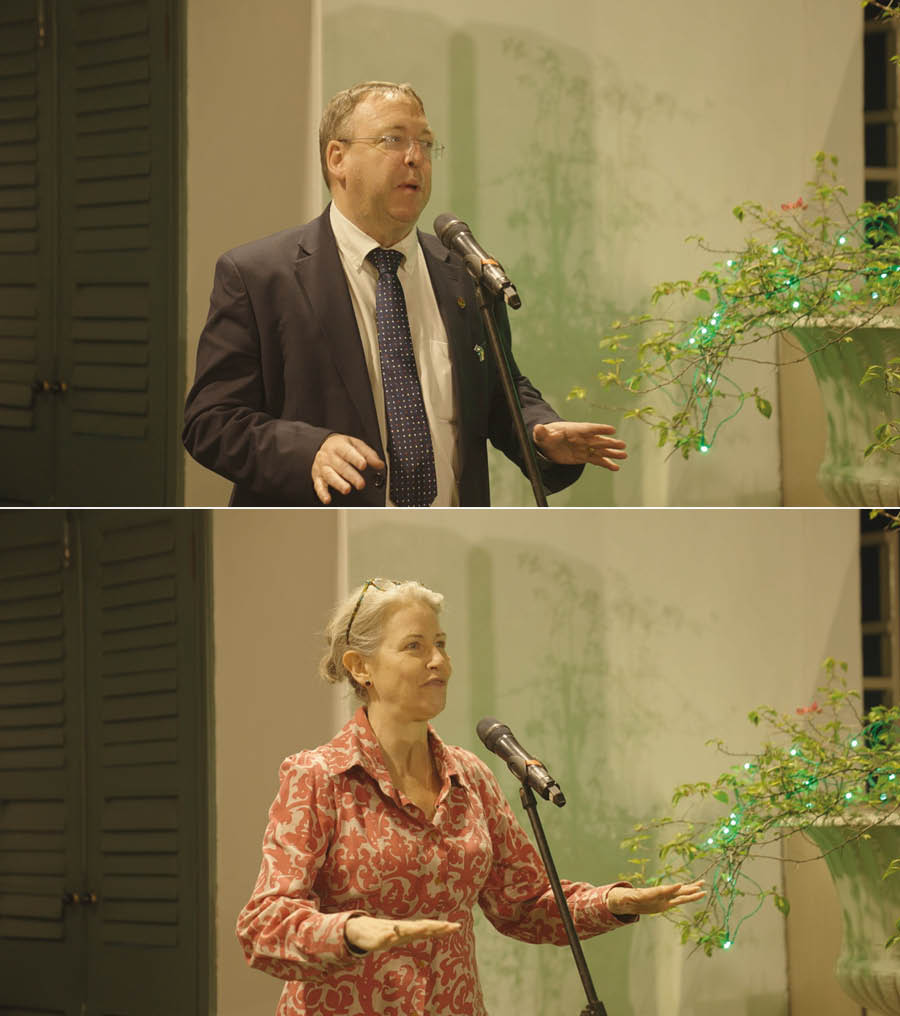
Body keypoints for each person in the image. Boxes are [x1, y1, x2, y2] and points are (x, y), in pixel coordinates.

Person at [236, 579, 704, 1016]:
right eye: (414, 647)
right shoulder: (319, 777)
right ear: (361, 667)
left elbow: (525, 905)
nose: (438, 660)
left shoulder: (470, 777)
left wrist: (616, 902)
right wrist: (351, 931)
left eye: (440, 644)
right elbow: (262, 926)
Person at [183, 81, 628, 506]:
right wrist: (307, 451)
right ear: (337, 158)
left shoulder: (464, 274)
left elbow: (500, 391)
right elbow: (212, 422)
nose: (415, 158)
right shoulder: (259, 275)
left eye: (426, 143)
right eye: (393, 141)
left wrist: (540, 433)